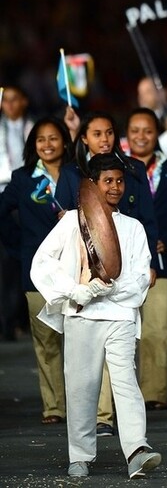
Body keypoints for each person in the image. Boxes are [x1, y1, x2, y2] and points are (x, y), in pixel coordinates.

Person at [30, 152, 161, 480]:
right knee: (81, 385)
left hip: (119, 315)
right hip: (82, 314)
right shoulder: (72, 221)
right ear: (93, 186)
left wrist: (106, 289)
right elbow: (42, 264)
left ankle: (136, 449)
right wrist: (75, 291)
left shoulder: (132, 227)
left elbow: (141, 276)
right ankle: (81, 455)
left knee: (126, 381)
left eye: (119, 181)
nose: (114, 187)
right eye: (107, 181)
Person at [56, 109, 159, 437]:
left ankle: (129, 420)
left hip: (128, 266)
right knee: (89, 354)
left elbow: (146, 215)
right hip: (86, 272)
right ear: (84, 137)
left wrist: (150, 265)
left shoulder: (133, 169)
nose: (105, 139)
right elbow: (60, 216)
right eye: (97, 133)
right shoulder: (73, 171)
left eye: (109, 132)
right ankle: (100, 417)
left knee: (125, 349)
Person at [0, 115, 74, 423]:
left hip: (75, 268)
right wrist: (19, 248)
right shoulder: (22, 178)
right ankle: (54, 407)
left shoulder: (77, 174)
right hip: (38, 272)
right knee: (46, 341)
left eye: (53, 138)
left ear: (65, 142)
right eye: (40, 139)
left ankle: (85, 406)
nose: (47, 144)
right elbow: (2, 215)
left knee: (78, 341)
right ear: (33, 145)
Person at [125, 107, 167, 409]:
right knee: (120, 335)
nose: (141, 136)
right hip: (123, 265)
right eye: (135, 130)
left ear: (157, 135)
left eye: (148, 131)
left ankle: (153, 394)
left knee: (157, 331)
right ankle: (120, 396)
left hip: (165, 263)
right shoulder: (115, 172)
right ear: (127, 134)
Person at [0, 85, 34, 341]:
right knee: (6, 262)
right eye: (5, 100)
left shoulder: (32, 128)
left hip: (26, 195)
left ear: (24, 101)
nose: (10, 105)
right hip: (2, 193)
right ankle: (8, 321)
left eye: (15, 100)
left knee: (28, 258)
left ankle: (24, 318)